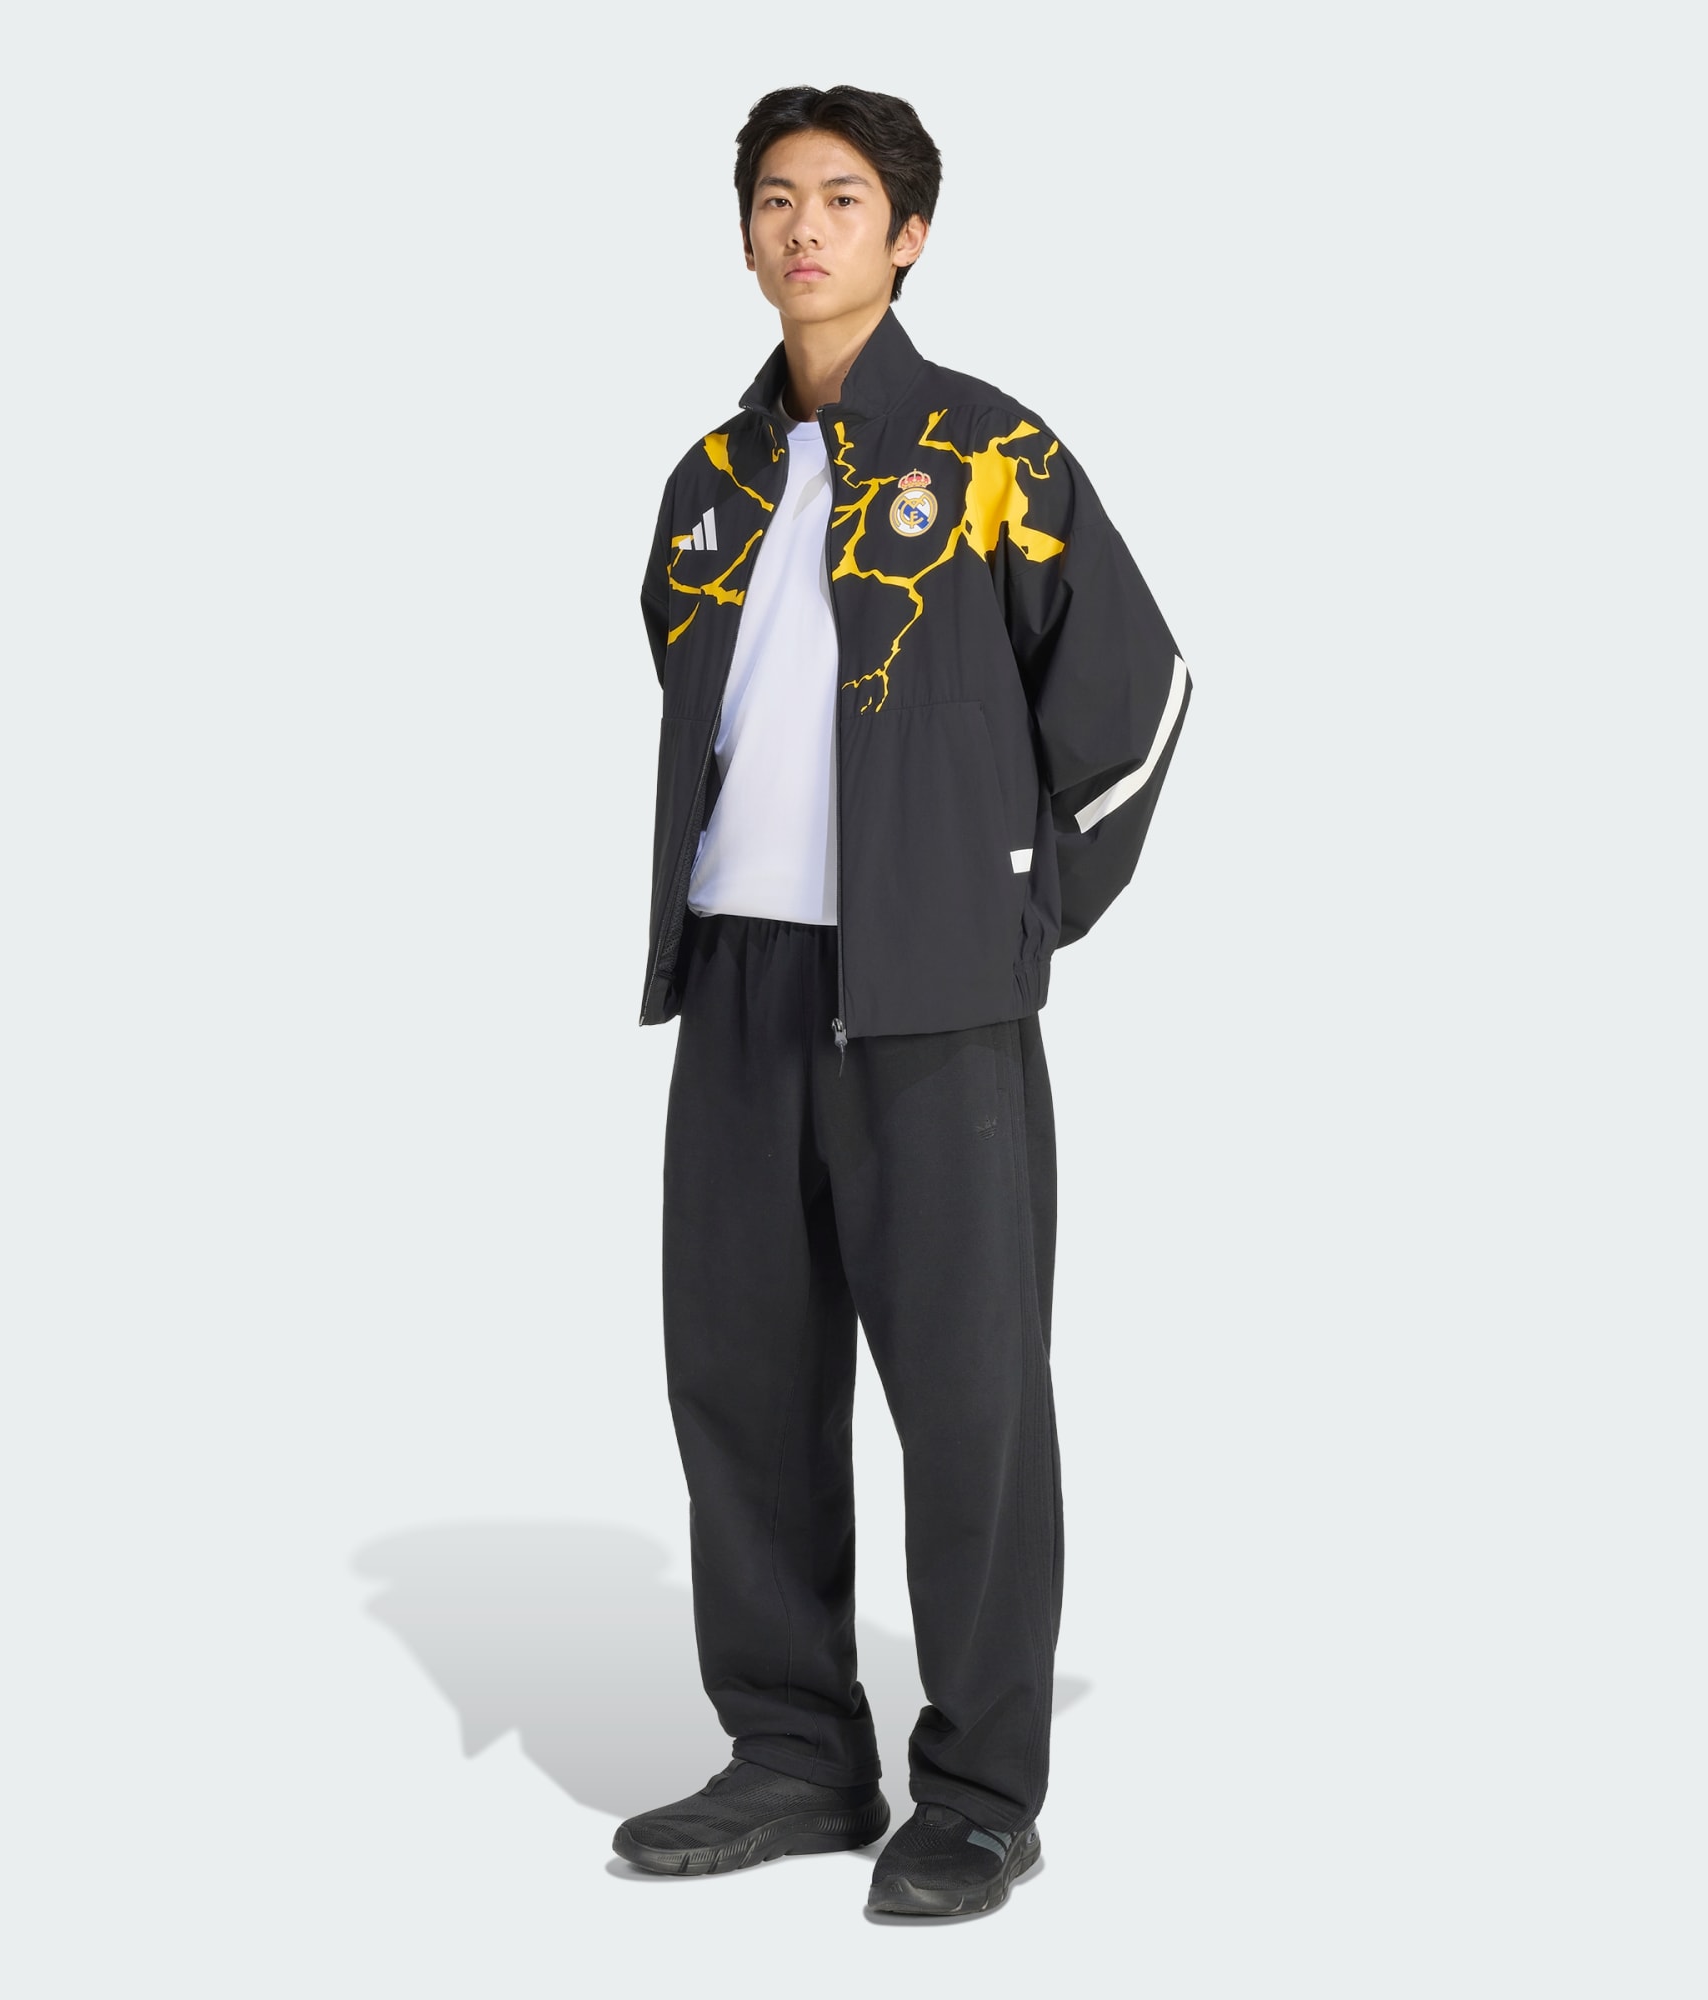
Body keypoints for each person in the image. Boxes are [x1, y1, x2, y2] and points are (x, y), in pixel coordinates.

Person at [615, 82, 1191, 1920]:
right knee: (742, 1380)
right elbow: (695, 691)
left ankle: (984, 1789)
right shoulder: (709, 481)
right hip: (740, 981)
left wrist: (1010, 917)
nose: (805, 228)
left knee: (970, 1402)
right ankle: (795, 1751)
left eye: (844, 199)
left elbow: (1139, 699)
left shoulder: (993, 451)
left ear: (910, 234)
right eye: (776, 199)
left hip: (934, 1006)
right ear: (746, 232)